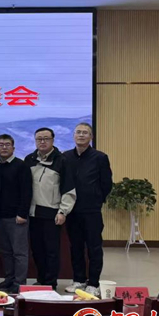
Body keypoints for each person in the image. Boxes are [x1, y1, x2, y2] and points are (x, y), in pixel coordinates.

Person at [63, 123, 113, 297]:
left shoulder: (100, 157)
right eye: (78, 132)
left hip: (91, 210)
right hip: (72, 210)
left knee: (94, 247)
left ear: (91, 137)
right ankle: (78, 280)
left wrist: (97, 199)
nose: (81, 135)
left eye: (85, 133)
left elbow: (106, 183)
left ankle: (93, 283)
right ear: (73, 135)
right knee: (75, 246)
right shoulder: (66, 157)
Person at [24, 127, 76, 291]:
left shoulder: (61, 161)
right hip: (33, 212)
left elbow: (68, 189)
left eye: (46, 138)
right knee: (37, 249)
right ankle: (41, 280)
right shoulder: (29, 159)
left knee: (51, 250)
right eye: (39, 139)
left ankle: (51, 283)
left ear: (53, 140)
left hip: (52, 212)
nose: (42, 142)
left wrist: (63, 211)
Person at [0, 134, 32, 294]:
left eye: (7, 144)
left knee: (19, 252)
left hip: (17, 218)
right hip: (0, 217)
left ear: (13, 148)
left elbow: (27, 191)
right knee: (6, 252)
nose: (4, 147)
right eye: (1, 145)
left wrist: (22, 213)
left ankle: (19, 282)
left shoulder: (21, 166)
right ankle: (9, 279)